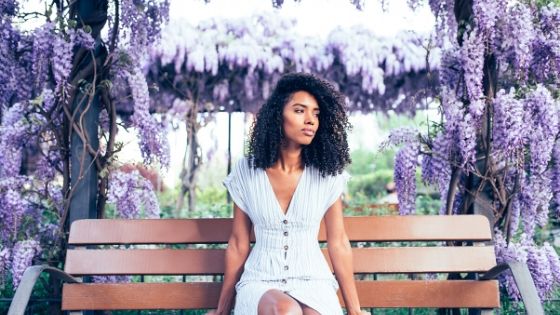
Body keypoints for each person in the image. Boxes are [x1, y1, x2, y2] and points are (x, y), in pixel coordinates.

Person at [208, 73, 368, 315]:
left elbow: (338, 242)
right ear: (277, 116)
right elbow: (239, 243)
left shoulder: (328, 174)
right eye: (299, 110)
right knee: (285, 311)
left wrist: (355, 311)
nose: (310, 120)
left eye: (315, 113)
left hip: (313, 280)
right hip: (261, 282)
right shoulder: (247, 172)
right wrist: (221, 310)